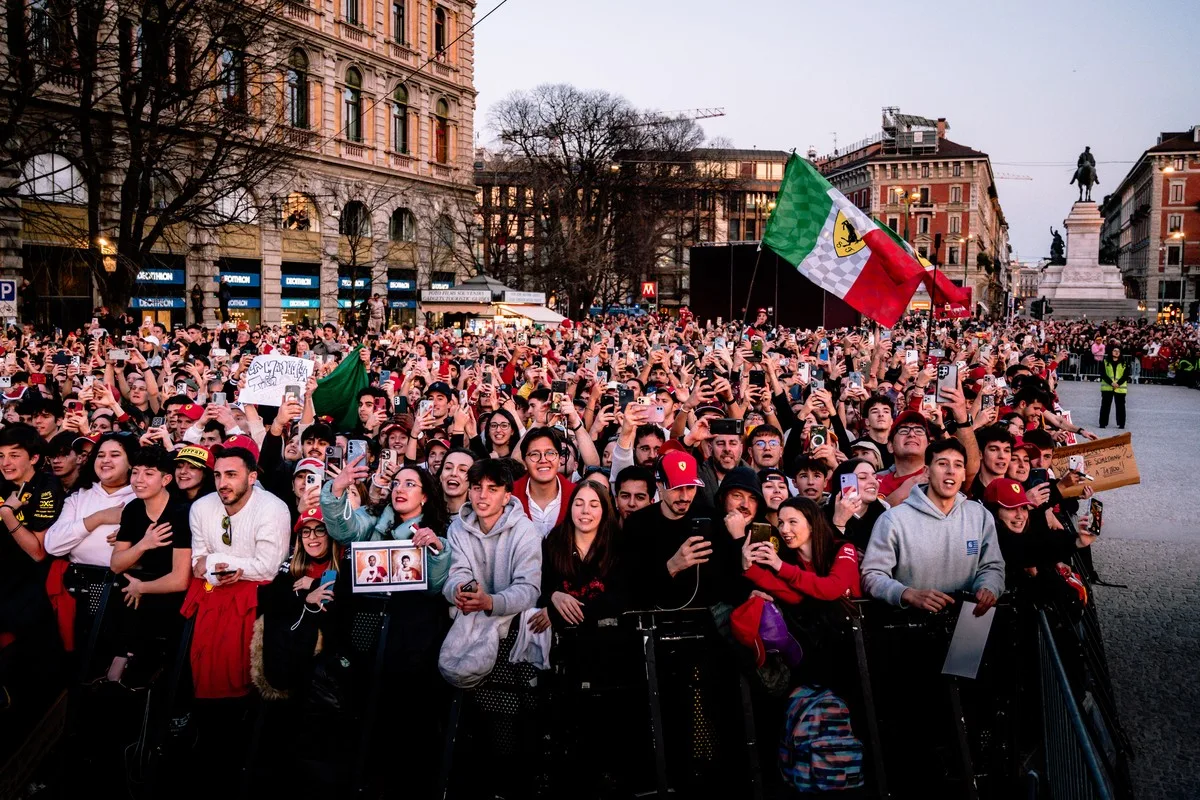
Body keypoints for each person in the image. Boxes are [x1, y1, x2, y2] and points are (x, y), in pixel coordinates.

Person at [185, 447, 291, 699]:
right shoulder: (201, 508)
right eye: (218, 475)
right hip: (212, 598)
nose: (223, 483)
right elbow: (197, 564)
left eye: (231, 474)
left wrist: (216, 561)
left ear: (252, 477)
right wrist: (214, 569)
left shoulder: (273, 509)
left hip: (257, 603)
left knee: (247, 681)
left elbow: (269, 567)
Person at [861, 438, 1005, 616]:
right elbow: (872, 576)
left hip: (968, 623)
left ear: (963, 473)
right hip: (909, 627)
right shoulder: (893, 520)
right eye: (942, 464)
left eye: (958, 465)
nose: (951, 471)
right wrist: (907, 594)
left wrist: (989, 587)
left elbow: (992, 566)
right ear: (927, 471)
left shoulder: (980, 516)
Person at [107, 446, 192, 682]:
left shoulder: (181, 512)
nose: (139, 480)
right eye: (135, 472)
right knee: (121, 594)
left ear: (166, 479)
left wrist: (141, 588)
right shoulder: (133, 509)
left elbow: (180, 579)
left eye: (148, 473)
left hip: (169, 596)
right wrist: (144, 543)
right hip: (135, 591)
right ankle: (120, 670)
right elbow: (116, 564)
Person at [624, 451, 744, 610]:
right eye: (676, 488)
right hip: (656, 617)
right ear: (659, 485)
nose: (685, 496)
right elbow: (631, 590)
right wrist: (673, 566)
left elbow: (730, 582)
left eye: (690, 487)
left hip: (707, 618)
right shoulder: (638, 524)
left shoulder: (712, 519)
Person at [0, 423, 65, 705]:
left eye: (14, 455)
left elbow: (38, 553)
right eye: (1, 455)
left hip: (30, 584)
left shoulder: (47, 487)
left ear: (34, 458)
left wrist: (8, 515)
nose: (5, 463)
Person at [253, 507, 341, 700]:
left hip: (327, 668)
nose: (312, 537)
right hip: (291, 657)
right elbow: (272, 599)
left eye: (320, 529)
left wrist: (315, 584)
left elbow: (345, 600)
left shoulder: (343, 562)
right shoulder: (293, 563)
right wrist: (306, 597)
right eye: (306, 531)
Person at [530, 481, 628, 632]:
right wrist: (553, 596)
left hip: (609, 639)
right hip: (562, 642)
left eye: (594, 505)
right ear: (570, 507)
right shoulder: (553, 543)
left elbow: (618, 600)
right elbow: (537, 589)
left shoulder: (618, 545)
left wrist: (557, 614)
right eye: (579, 504)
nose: (585, 511)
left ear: (604, 510)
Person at [512, 426, 576, 536]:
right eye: (534, 454)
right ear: (524, 462)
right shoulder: (510, 495)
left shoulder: (576, 494)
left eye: (550, 453)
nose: (543, 460)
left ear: (560, 459)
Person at [1099, 342, 1128, 429]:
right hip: (1107, 387)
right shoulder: (1105, 362)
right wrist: (1111, 383)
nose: (1116, 352)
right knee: (1105, 406)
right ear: (1111, 352)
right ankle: (1103, 423)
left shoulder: (1124, 363)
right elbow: (1103, 374)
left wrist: (1118, 384)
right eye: (1114, 351)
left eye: (1118, 351)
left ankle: (1121, 423)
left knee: (1121, 407)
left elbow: (1126, 375)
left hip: (1120, 388)